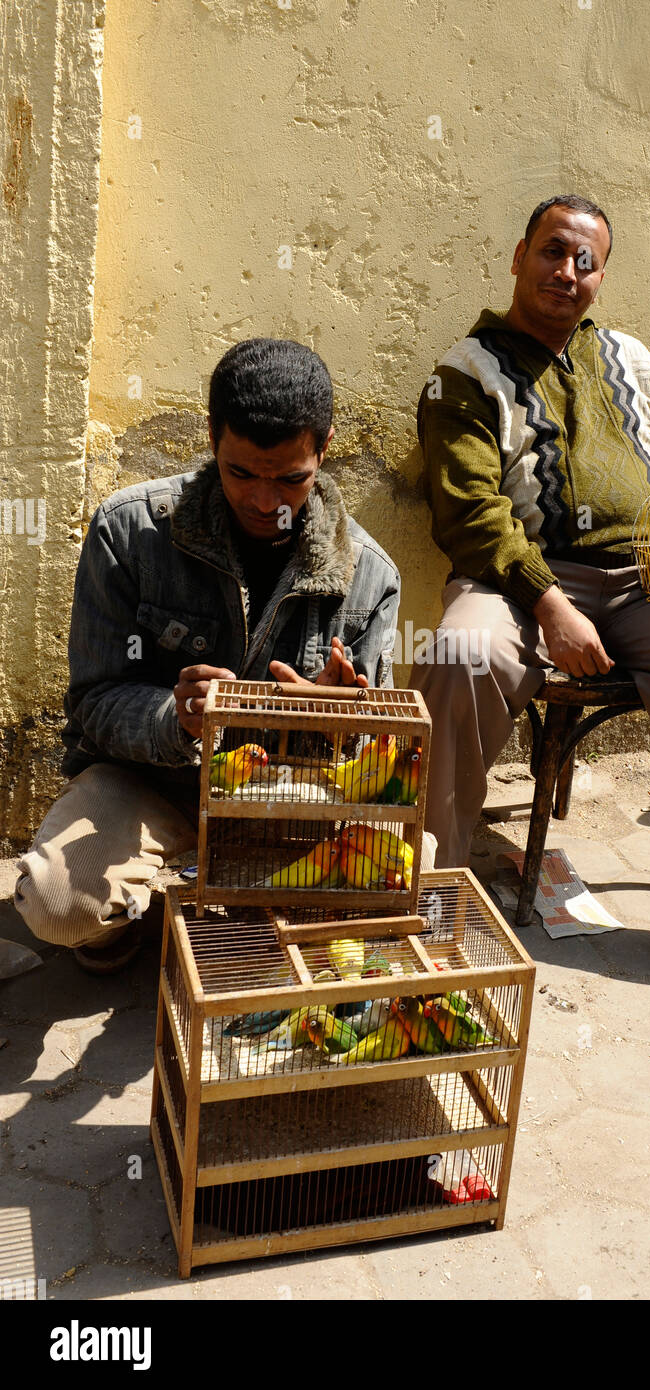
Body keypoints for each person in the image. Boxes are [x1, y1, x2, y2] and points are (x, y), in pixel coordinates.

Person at [411, 195, 650, 1019]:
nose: (568, 272)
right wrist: (548, 601)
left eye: (586, 261)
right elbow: (470, 514)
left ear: (600, 276)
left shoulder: (629, 357)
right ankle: (431, 897)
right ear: (518, 257)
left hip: (645, 582)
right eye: (554, 252)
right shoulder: (464, 374)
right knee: (458, 656)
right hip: (517, 580)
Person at [15, 338, 400, 972]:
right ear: (213, 439)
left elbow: (376, 759)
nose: (264, 500)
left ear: (323, 448)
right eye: (241, 472)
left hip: (286, 797)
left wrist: (337, 726)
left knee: (413, 865)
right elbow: (92, 703)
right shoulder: (128, 531)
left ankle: (216, 895)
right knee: (57, 903)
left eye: (292, 478)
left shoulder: (369, 576)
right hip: (154, 786)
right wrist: (174, 717)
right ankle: (124, 924)